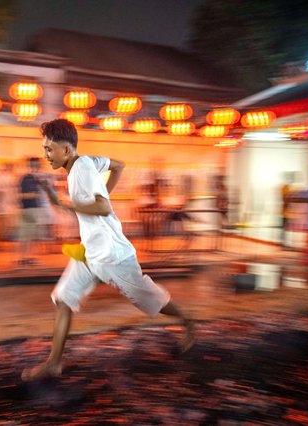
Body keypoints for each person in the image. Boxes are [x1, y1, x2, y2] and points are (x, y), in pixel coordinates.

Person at [21, 119, 195, 381]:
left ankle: (188, 322)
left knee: (150, 299)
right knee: (64, 298)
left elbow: (103, 208)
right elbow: (118, 166)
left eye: (49, 149)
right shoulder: (88, 161)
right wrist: (101, 194)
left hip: (112, 254)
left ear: (66, 151)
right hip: (90, 252)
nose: (45, 155)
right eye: (45, 149)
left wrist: (63, 204)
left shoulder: (82, 170)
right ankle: (54, 363)